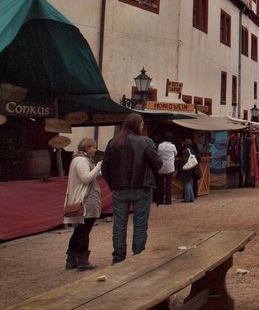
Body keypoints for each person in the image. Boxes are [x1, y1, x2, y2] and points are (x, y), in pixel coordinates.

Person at [102, 113, 162, 264]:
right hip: (141, 188)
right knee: (140, 224)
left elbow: (105, 168)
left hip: (120, 189)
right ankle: (138, 257)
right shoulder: (145, 142)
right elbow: (158, 163)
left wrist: (113, 185)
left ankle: (118, 258)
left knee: (119, 224)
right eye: (142, 124)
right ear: (137, 125)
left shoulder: (113, 143)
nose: (143, 127)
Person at [63, 138, 103, 271]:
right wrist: (98, 166)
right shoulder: (81, 161)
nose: (95, 150)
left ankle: (71, 259)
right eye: (93, 147)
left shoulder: (79, 160)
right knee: (84, 231)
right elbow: (86, 178)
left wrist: (98, 170)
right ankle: (82, 261)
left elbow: (89, 176)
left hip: (83, 199)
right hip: (85, 200)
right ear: (87, 148)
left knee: (79, 230)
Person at [155, 133, 177, 205]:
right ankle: (168, 201)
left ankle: (160, 200)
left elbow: (158, 154)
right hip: (170, 167)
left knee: (160, 184)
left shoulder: (160, 145)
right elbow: (175, 153)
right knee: (168, 184)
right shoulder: (172, 146)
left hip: (161, 166)